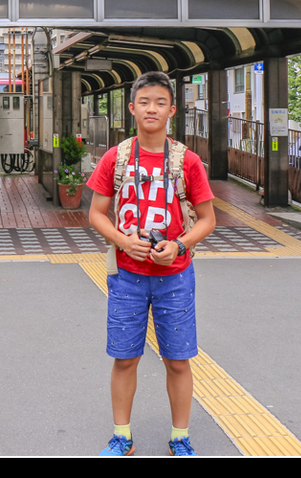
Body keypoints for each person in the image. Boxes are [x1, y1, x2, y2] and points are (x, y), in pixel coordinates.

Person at [86, 71, 216, 457]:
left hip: (175, 276)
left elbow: (208, 219)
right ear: (131, 109)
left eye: (160, 102)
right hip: (127, 275)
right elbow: (96, 213)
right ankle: (121, 435)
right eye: (144, 102)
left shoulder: (187, 161)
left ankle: (180, 437)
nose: (152, 109)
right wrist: (124, 241)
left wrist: (179, 245)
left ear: (172, 110)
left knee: (178, 360)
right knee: (125, 358)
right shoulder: (117, 157)